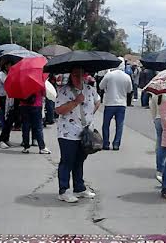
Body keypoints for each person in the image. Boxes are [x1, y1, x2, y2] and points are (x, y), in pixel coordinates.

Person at [54, 68, 100, 203]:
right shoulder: (63, 91)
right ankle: (64, 190)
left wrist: (88, 116)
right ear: (70, 76)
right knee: (67, 161)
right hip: (68, 132)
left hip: (85, 132)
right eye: (75, 75)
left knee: (80, 161)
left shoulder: (90, 89)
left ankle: (79, 188)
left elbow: (97, 101)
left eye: (80, 75)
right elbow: (58, 110)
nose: (78, 78)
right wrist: (75, 102)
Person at [99, 63, 133, 150]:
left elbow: (101, 86)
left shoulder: (109, 75)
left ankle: (106, 143)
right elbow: (129, 90)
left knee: (106, 124)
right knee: (119, 125)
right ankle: (116, 144)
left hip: (110, 103)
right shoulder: (127, 77)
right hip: (121, 103)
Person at [18, 88, 50, 154]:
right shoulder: (38, 82)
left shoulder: (21, 82)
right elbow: (44, 94)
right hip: (36, 105)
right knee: (38, 127)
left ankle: (25, 147)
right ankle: (42, 147)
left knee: (25, 127)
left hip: (23, 105)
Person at [0, 62, 20, 149]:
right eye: (10, 65)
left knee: (11, 119)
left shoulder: (10, 74)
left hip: (12, 97)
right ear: (5, 65)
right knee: (6, 119)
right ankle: (1, 139)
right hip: (4, 98)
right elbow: (7, 83)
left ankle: (6, 138)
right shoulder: (1, 74)